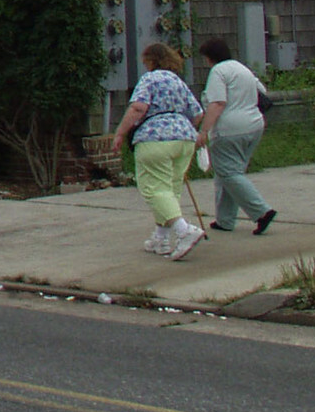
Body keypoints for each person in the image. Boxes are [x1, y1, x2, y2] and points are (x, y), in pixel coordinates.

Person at [111, 41, 206, 261]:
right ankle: (161, 238)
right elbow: (198, 113)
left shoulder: (150, 79)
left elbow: (138, 107)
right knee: (170, 189)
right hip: (184, 138)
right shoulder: (178, 82)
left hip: (155, 137)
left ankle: (184, 231)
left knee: (154, 188)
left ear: (151, 61)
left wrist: (120, 133)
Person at [196, 36, 277, 235]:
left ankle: (261, 211)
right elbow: (262, 91)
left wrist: (204, 131)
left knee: (228, 173)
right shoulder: (243, 69)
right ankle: (225, 219)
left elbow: (217, 103)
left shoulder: (218, 71)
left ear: (210, 57)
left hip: (229, 129)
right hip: (254, 125)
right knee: (230, 173)